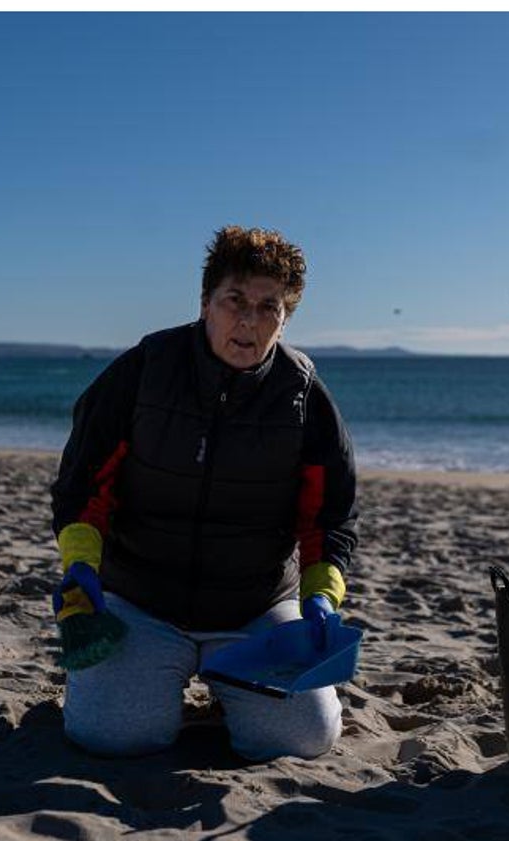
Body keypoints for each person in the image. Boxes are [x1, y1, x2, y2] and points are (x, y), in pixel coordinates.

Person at [50, 225, 358, 761]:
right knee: (112, 735)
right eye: (234, 301)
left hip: (255, 610)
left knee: (303, 737)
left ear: (285, 318)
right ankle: (137, 682)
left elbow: (329, 519)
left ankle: (230, 687)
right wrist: (81, 568)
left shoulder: (304, 395)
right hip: (142, 600)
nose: (249, 321)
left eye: (269, 308)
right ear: (205, 302)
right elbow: (82, 486)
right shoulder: (143, 370)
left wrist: (321, 597)